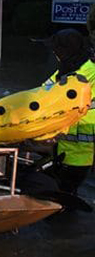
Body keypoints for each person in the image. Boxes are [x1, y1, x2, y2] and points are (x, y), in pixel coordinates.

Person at [42, 28, 95, 195]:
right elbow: (43, 91)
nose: (55, 54)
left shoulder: (85, 72)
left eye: (57, 50)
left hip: (80, 152)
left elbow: (56, 94)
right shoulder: (71, 66)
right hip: (65, 147)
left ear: (66, 50)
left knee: (64, 191)